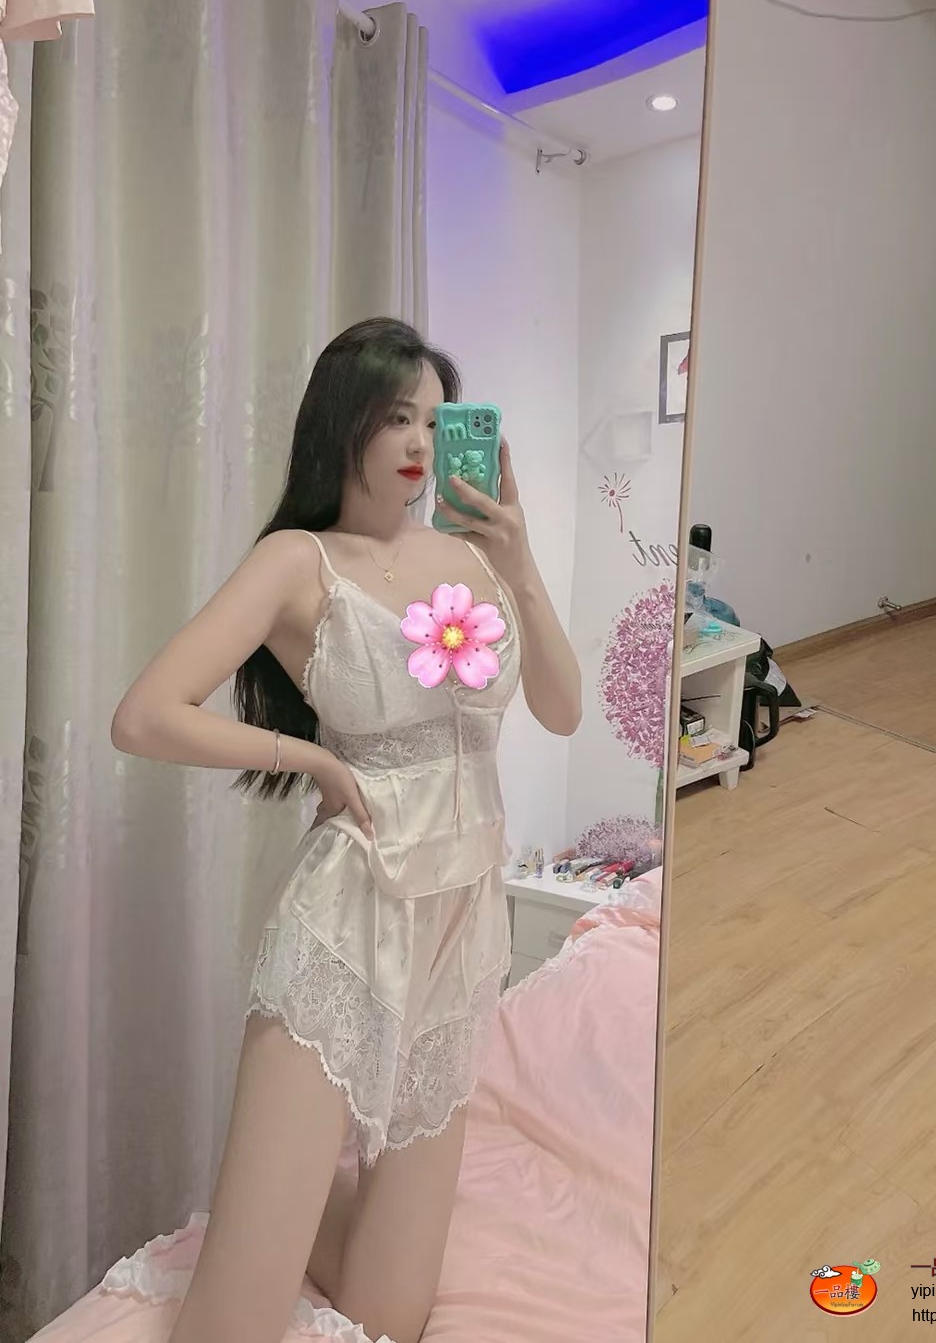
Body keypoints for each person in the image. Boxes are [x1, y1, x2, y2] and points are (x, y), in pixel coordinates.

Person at [107, 318, 582, 1343]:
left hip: (461, 934)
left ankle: (275, 1205)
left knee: (389, 1316)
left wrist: (521, 559)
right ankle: (261, 1207)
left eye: (434, 420)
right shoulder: (299, 560)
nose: (419, 441)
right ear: (344, 422)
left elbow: (562, 708)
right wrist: (314, 759)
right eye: (395, 415)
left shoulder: (474, 554)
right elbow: (143, 715)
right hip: (345, 926)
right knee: (233, 1321)